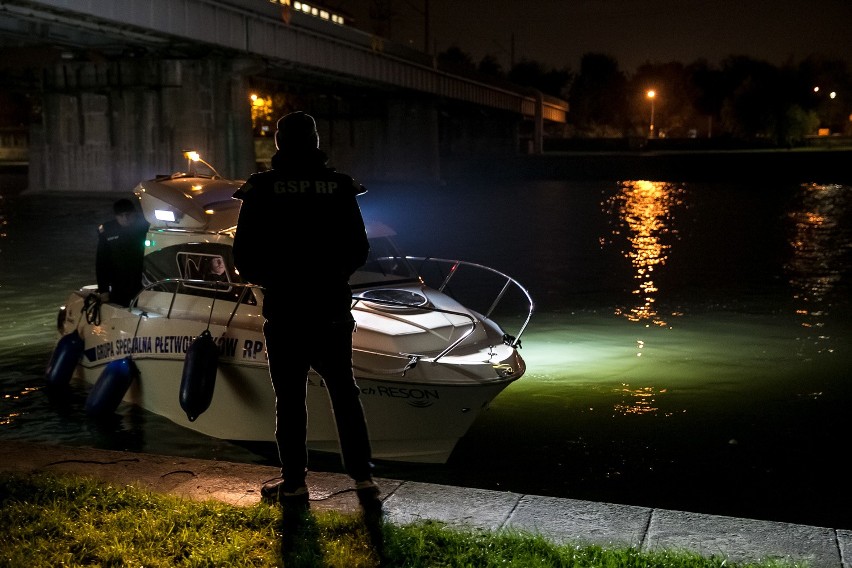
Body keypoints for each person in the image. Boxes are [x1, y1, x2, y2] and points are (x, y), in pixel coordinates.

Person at [231, 111, 380, 512]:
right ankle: (364, 476)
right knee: (345, 392)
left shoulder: (262, 188)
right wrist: (330, 277)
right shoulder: (339, 187)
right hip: (331, 306)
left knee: (290, 397)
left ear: (279, 143)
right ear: (315, 141)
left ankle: (295, 483)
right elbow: (359, 249)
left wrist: (278, 280)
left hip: (285, 309)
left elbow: (244, 257)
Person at [96, 198, 150, 307]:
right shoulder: (107, 231)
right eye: (121, 216)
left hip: (141, 281)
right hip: (118, 282)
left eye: (128, 215)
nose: (125, 218)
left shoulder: (146, 227)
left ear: (134, 214)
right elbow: (102, 262)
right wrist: (103, 290)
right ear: (116, 216)